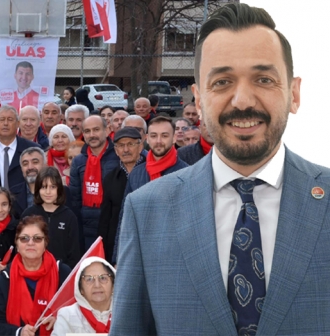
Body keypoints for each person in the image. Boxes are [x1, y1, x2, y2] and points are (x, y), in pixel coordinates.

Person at [111, 4, 328, 334]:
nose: (242, 100)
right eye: (223, 81)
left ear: (294, 94)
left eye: (264, 79)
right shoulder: (147, 211)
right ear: (198, 100)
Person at [0, 215, 72, 336]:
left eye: (37, 238)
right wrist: (18, 332)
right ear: (16, 243)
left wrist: (60, 321)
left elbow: (78, 314)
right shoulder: (5, 278)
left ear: (45, 242)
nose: (30, 243)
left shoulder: (62, 273)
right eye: (24, 238)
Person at [69, 115, 119, 249]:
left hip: (113, 225)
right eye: (87, 131)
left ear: (107, 130)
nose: (92, 135)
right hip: (86, 227)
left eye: (96, 130)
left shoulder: (119, 156)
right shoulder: (78, 161)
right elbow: (75, 198)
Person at [99, 127, 145, 261]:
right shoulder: (110, 178)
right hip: (117, 245)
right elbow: (105, 219)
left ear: (140, 146)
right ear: (116, 150)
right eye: (121, 145)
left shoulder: (151, 173)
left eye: (130, 144)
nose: (125, 150)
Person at [21, 167, 80, 268]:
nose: (48, 192)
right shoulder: (29, 214)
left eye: (52, 187)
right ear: (38, 189)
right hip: (33, 270)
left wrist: (66, 271)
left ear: (59, 189)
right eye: (44, 187)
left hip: (60, 272)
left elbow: (74, 253)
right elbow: (21, 245)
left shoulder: (69, 216)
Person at [51, 257, 115, 335]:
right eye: (89, 279)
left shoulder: (126, 314)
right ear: (81, 289)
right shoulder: (67, 315)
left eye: (103, 278)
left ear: (113, 285)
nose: (97, 285)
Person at [0, 105, 38, 190]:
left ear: (18, 124)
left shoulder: (32, 149)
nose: (5, 123)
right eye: (2, 119)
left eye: (10, 119)